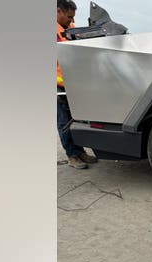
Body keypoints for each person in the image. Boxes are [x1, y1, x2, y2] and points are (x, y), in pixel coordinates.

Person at [57, 0, 98, 169]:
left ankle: (79, 152)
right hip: (57, 84)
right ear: (58, 11)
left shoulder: (69, 27)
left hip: (70, 82)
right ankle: (72, 156)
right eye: (69, 16)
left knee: (75, 119)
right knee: (63, 121)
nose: (71, 20)